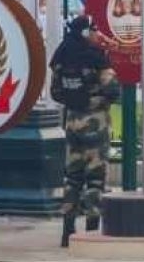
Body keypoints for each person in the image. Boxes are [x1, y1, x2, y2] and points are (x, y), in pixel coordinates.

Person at [49, 16, 119, 247]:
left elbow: (56, 92)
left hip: (71, 123)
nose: (97, 35)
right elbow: (113, 90)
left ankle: (67, 231)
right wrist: (94, 100)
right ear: (86, 33)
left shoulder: (62, 56)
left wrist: (75, 101)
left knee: (72, 178)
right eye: (94, 31)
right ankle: (91, 231)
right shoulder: (95, 57)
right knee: (95, 180)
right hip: (95, 124)